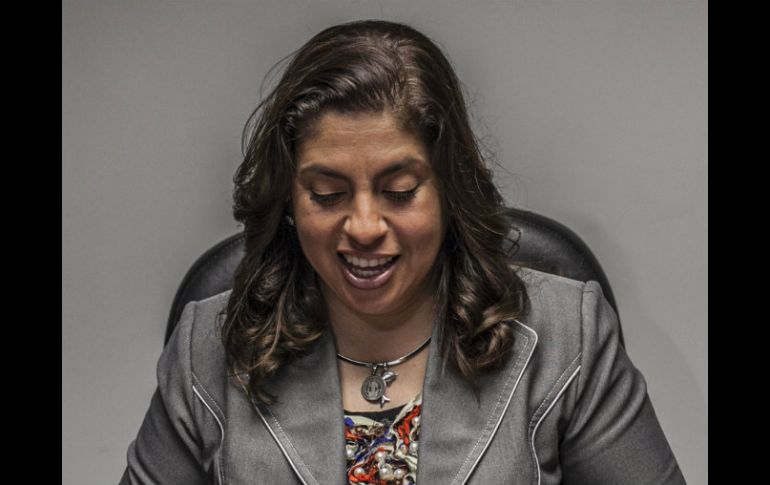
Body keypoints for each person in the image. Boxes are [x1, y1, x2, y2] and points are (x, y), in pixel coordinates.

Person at [120, 19, 687, 485]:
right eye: (327, 194)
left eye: (399, 191)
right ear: (288, 200)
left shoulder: (568, 337)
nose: (364, 227)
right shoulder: (205, 349)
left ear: (448, 191)